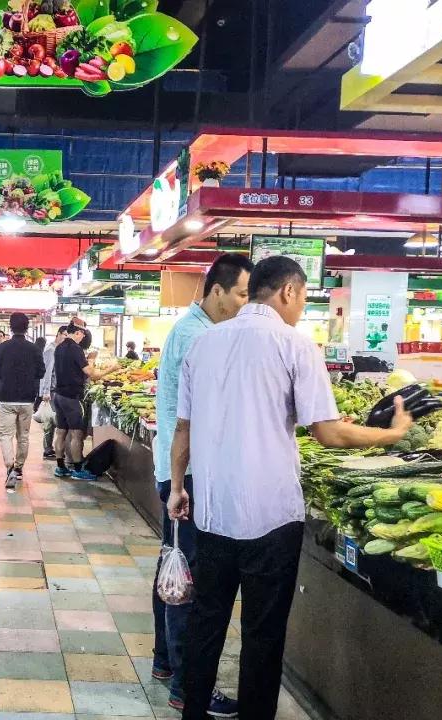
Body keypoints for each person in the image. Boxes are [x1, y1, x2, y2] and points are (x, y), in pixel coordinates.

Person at [169, 257, 413, 720]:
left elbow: (184, 428)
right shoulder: (295, 346)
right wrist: (391, 435)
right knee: (263, 635)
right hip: (271, 517)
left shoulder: (203, 346)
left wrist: (178, 487)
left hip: (213, 511)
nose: (301, 307)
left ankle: (193, 713)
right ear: (287, 292)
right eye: (303, 298)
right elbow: (329, 432)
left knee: (207, 624)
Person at [151, 254, 253, 715]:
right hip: (186, 472)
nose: (245, 304)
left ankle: (166, 664)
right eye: (242, 295)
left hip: (176, 467)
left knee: (173, 567)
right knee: (190, 578)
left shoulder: (193, 330)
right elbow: (204, 416)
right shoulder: (201, 338)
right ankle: (187, 686)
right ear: (217, 291)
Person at [51, 324, 116, 480]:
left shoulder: (59, 347)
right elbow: (91, 374)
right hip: (72, 397)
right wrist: (110, 368)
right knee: (76, 434)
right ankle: (78, 470)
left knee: (60, 432)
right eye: (83, 335)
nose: (83, 339)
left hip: (59, 395)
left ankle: (61, 467)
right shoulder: (75, 349)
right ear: (78, 333)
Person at [0, 312, 45, 492]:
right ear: (27, 327)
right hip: (27, 399)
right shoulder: (34, 349)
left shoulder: (2, 348)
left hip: (6, 397)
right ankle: (19, 468)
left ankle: (9, 467)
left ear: (10, 327)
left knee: (5, 435)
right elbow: (41, 372)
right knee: (23, 436)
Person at [40, 326, 66, 460]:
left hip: (57, 388)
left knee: (55, 419)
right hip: (51, 390)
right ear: (59, 334)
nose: (66, 339)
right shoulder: (51, 350)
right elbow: (47, 371)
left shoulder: (60, 349)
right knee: (50, 420)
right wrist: (45, 391)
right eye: (65, 335)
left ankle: (51, 447)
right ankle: (48, 449)